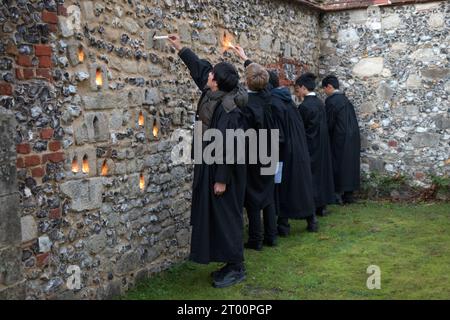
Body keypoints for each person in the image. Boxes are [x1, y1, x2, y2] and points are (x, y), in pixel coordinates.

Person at [168, 34, 248, 288]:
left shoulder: (228, 108)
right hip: (209, 163)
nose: (208, 75)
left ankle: (237, 266)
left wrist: (222, 180)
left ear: (218, 81)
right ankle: (228, 261)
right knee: (216, 215)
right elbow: (199, 68)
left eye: (213, 74)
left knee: (226, 216)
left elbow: (230, 147)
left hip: (225, 170)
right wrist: (180, 47)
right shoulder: (213, 91)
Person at [231, 45, 316, 235]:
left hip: (280, 150)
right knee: (285, 189)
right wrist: (245, 58)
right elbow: (258, 78)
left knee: (275, 190)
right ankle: (281, 229)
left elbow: (257, 81)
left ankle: (277, 228)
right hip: (294, 148)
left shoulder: (273, 103)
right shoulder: (283, 99)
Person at [239, 60, 278, 249]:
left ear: (247, 81)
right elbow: (263, 82)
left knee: (253, 195)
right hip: (270, 149)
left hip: (254, 152)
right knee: (268, 193)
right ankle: (271, 235)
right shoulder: (267, 96)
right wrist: (247, 59)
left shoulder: (246, 104)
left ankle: (256, 239)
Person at [295, 73, 335, 218]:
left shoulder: (304, 107)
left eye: (298, 89)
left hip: (310, 146)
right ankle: (321, 206)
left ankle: (311, 206)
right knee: (321, 176)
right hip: (322, 145)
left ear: (304, 88)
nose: (297, 92)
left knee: (311, 177)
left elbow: (301, 130)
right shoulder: (319, 103)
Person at [322, 75, 360, 204]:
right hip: (352, 136)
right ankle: (349, 195)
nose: (324, 92)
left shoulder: (332, 101)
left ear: (329, 87)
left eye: (324, 89)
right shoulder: (345, 100)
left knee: (337, 164)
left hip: (339, 137)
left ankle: (337, 194)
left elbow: (329, 122)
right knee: (349, 165)